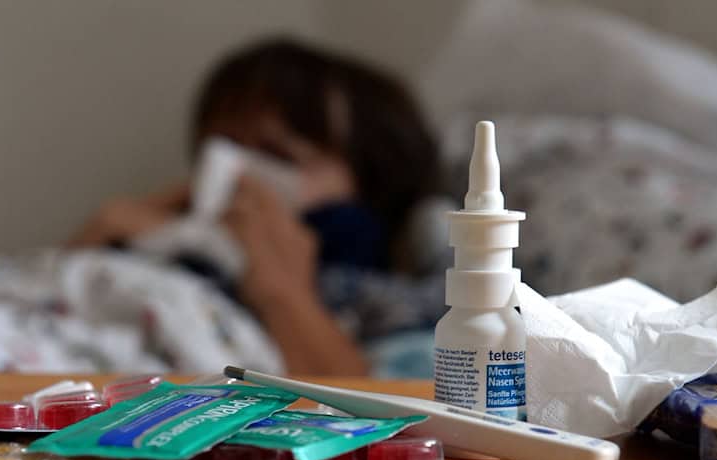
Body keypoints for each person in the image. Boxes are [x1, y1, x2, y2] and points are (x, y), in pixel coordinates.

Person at [67, 38, 444, 377]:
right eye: (218, 148)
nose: (234, 173)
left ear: (372, 180)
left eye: (276, 154)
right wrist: (98, 240)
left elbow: (370, 408)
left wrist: (280, 289)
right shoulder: (161, 237)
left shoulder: (390, 305)